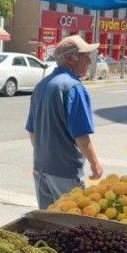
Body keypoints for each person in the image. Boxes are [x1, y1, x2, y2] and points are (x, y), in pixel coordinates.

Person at [25, 35, 103, 209]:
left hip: (41, 167)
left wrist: (46, 154)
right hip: (65, 171)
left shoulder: (42, 85)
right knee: (69, 223)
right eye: (85, 56)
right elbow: (81, 135)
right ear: (70, 59)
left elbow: (32, 131)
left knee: (47, 224)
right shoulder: (74, 87)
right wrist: (95, 164)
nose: (89, 61)